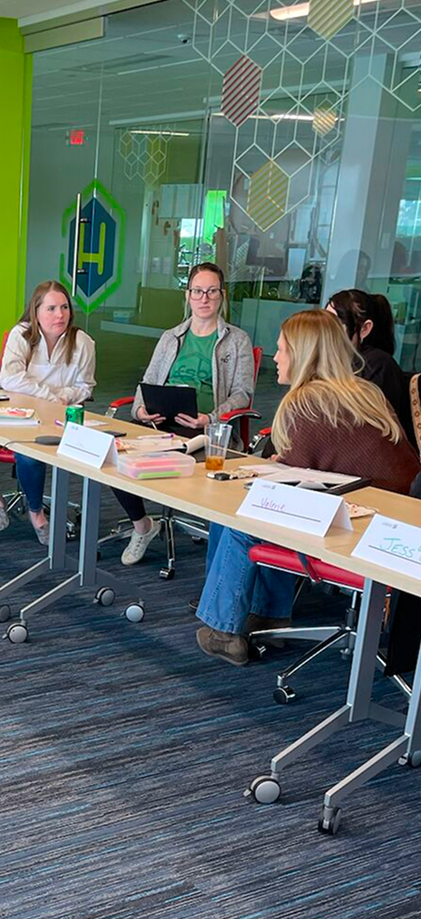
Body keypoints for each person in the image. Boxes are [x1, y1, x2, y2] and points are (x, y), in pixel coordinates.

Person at [195, 309, 420, 667]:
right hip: (400, 522)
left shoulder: (307, 402)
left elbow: (285, 480)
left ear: (302, 354)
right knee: (269, 516)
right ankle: (268, 616)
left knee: (243, 521)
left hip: (363, 533)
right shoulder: (363, 391)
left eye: (282, 349)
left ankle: (223, 631)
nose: (275, 356)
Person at [114, 262, 254, 566]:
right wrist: (140, 409)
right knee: (114, 458)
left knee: (180, 456)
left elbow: (243, 393)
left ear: (222, 296)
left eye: (211, 292)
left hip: (204, 431)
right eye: (197, 291)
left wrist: (210, 417)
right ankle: (143, 526)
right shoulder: (171, 337)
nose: (204, 298)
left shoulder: (236, 339)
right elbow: (148, 381)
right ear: (188, 295)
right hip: (160, 423)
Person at [0, 280, 95, 545]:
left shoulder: (83, 343)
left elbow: (85, 387)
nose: (60, 315)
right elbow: (10, 379)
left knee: (28, 452)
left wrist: (58, 398)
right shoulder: (21, 334)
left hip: (52, 421)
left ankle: (36, 512)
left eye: (64, 307)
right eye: (52, 308)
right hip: (10, 412)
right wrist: (54, 395)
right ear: (36, 311)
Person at [326, 288, 415, 446]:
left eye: (334, 325)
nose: (324, 331)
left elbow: (364, 434)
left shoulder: (377, 366)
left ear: (365, 328)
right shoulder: (337, 363)